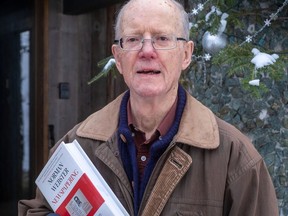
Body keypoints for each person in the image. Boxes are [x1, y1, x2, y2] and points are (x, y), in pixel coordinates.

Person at [18, 0, 279, 215]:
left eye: (162, 38)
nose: (146, 51)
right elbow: (37, 209)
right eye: (132, 39)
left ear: (186, 54)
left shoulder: (235, 158)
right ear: (118, 58)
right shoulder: (77, 144)